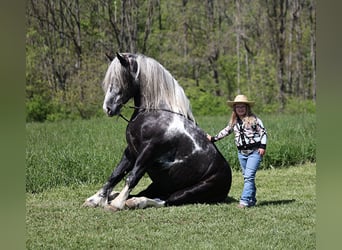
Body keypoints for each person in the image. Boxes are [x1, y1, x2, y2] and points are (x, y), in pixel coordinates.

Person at [207, 95, 267, 208]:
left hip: (254, 152)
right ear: (234, 109)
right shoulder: (234, 123)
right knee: (247, 177)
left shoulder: (255, 120)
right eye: (238, 107)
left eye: (242, 106)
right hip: (242, 154)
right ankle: (252, 199)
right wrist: (213, 138)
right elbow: (225, 131)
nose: (240, 109)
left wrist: (262, 146)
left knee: (249, 177)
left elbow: (263, 133)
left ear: (247, 108)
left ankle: (244, 201)